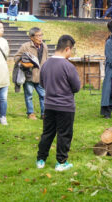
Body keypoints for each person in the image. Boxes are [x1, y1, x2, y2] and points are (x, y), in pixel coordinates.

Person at [36, 35, 80, 171]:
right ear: (67, 49)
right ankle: (61, 162)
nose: (71, 53)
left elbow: (42, 83)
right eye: (71, 50)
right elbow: (76, 87)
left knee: (47, 133)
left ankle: (40, 160)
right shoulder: (69, 66)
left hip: (49, 105)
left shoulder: (45, 64)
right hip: (65, 106)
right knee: (64, 134)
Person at [14, 28, 48, 120]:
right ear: (31, 37)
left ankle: (44, 113)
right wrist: (25, 63)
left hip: (41, 76)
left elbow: (46, 60)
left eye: (41, 35)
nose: (40, 38)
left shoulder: (45, 46)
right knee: (29, 95)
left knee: (43, 95)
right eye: (38, 36)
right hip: (29, 76)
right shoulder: (25, 46)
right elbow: (16, 57)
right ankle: (30, 113)